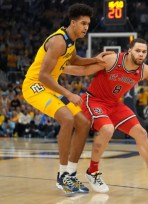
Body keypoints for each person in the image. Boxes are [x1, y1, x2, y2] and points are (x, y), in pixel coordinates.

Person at [63, 38, 148, 193]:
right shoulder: (112, 60)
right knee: (107, 129)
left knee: (141, 133)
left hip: (114, 104)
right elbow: (83, 71)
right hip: (94, 100)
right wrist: (59, 68)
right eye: (138, 51)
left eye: (144, 52)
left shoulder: (145, 70)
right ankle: (92, 172)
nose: (141, 54)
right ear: (129, 51)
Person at [22, 3, 109, 196]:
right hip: (35, 86)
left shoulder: (70, 41)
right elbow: (43, 76)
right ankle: (62, 176)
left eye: (88, 23)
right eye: (83, 23)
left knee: (84, 123)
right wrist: (69, 94)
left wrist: (95, 59)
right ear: (73, 22)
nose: (86, 27)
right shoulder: (59, 41)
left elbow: (75, 60)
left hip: (50, 87)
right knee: (68, 119)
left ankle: (70, 173)